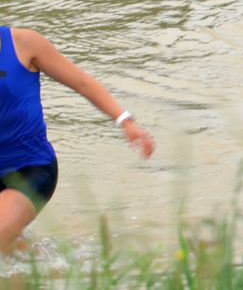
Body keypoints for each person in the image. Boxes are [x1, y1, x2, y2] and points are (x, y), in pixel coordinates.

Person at [1, 26, 154, 254]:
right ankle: (43, 263)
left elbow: (82, 82)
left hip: (30, 168)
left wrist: (125, 121)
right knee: (7, 250)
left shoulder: (24, 43)